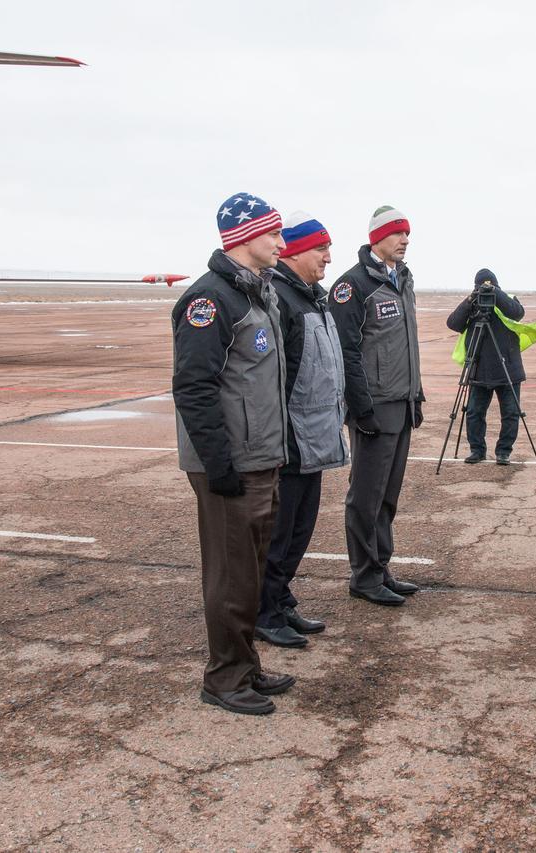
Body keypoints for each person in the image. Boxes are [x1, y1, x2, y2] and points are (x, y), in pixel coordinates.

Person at [172, 192, 296, 716]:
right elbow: (194, 387)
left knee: (249, 570)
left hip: (261, 456)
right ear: (245, 236)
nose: (282, 243)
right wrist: (219, 465)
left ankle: (245, 665)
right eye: (274, 234)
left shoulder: (257, 294)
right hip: (230, 465)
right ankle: (224, 678)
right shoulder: (210, 300)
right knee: (229, 575)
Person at [254, 212, 349, 649]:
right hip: (291, 439)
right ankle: (264, 610)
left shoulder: (313, 297)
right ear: (292, 251)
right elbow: (273, 378)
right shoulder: (282, 300)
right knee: (280, 532)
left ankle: (281, 598)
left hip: (315, 435)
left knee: (300, 529)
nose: (329, 257)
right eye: (320, 249)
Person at [328, 205, 424, 607]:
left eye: (407, 235)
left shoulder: (402, 280)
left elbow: (406, 345)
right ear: (377, 238)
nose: (404, 241)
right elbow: (346, 353)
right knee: (365, 497)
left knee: (388, 495)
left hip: (401, 403)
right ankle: (363, 576)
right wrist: (360, 407)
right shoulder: (353, 286)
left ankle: (381, 568)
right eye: (397, 234)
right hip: (374, 407)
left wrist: (415, 394)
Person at [445, 268, 526, 465]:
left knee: (510, 413)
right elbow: (453, 324)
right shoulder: (473, 303)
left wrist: (496, 293)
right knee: (473, 412)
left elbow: (517, 313)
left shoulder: (508, 299)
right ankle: (477, 450)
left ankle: (503, 451)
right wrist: (470, 299)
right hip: (479, 368)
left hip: (508, 368)